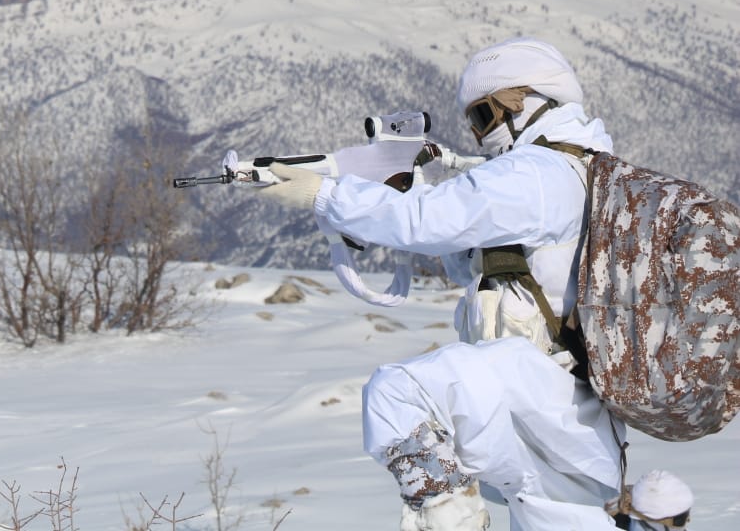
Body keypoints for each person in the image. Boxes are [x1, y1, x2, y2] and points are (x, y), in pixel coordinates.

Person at [254, 37, 695, 531]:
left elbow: (427, 220)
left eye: (483, 117)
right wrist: (412, 188)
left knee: (398, 392)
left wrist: (324, 196)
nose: (478, 134)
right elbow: (471, 265)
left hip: (541, 391)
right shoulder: (576, 169)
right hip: (571, 424)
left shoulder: (537, 173)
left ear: (524, 103)